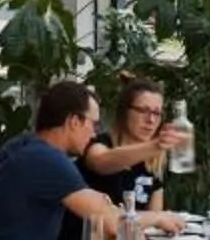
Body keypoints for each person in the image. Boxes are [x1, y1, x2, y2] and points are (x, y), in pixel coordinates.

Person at [0, 80, 180, 240]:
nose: (94, 133)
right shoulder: (49, 159)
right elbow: (113, 224)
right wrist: (157, 218)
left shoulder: (27, 147)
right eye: (93, 124)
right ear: (74, 121)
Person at [81, 80, 191, 211]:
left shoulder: (154, 160)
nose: (151, 120)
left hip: (135, 231)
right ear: (124, 112)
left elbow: (155, 216)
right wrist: (156, 146)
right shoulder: (102, 142)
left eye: (157, 113)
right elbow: (100, 161)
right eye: (143, 111)